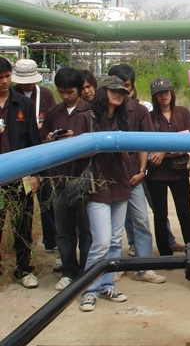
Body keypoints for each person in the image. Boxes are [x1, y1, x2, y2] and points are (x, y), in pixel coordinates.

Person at [78, 76, 132, 312]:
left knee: (115, 241)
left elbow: (127, 157)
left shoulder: (122, 119)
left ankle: (107, 284)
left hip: (119, 183)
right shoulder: (87, 118)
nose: (118, 94)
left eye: (121, 91)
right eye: (113, 90)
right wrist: (103, 143)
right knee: (100, 242)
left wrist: (122, 145)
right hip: (97, 185)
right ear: (103, 93)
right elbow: (78, 152)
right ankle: (89, 290)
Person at [108, 64, 165, 284]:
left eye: (126, 86)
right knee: (114, 227)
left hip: (134, 177)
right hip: (111, 178)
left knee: (141, 221)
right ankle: (113, 267)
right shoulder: (104, 110)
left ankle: (144, 266)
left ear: (132, 86)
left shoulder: (139, 111)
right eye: (117, 87)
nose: (122, 91)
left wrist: (142, 171)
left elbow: (145, 143)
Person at [40, 67, 92, 291]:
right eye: (61, 92)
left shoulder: (90, 112)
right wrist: (50, 139)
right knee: (64, 229)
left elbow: (96, 144)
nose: (66, 96)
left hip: (85, 180)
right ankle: (69, 271)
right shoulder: (53, 113)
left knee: (87, 229)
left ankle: (87, 271)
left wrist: (76, 140)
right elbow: (43, 141)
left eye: (70, 92)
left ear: (79, 89)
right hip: (60, 178)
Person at [0, 57, 40, 289]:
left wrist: (34, 173)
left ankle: (24, 269)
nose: (5, 81)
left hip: (20, 175)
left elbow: (33, 140)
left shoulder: (22, 103)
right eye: (0, 78)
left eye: (7, 76)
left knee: (23, 223)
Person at [146, 76, 190, 256]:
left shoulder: (182, 113)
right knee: (160, 215)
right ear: (154, 96)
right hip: (156, 173)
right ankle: (165, 254)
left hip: (179, 171)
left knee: (185, 213)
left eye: (166, 92)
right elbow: (147, 145)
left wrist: (163, 152)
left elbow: (189, 140)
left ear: (172, 92)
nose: (163, 96)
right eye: (159, 93)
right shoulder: (150, 117)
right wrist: (165, 150)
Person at [12, 59, 57, 253]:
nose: (27, 85)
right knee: (22, 203)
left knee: (47, 198)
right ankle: (22, 242)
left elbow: (53, 118)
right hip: (20, 154)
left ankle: (51, 240)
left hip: (43, 152)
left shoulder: (45, 94)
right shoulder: (13, 95)